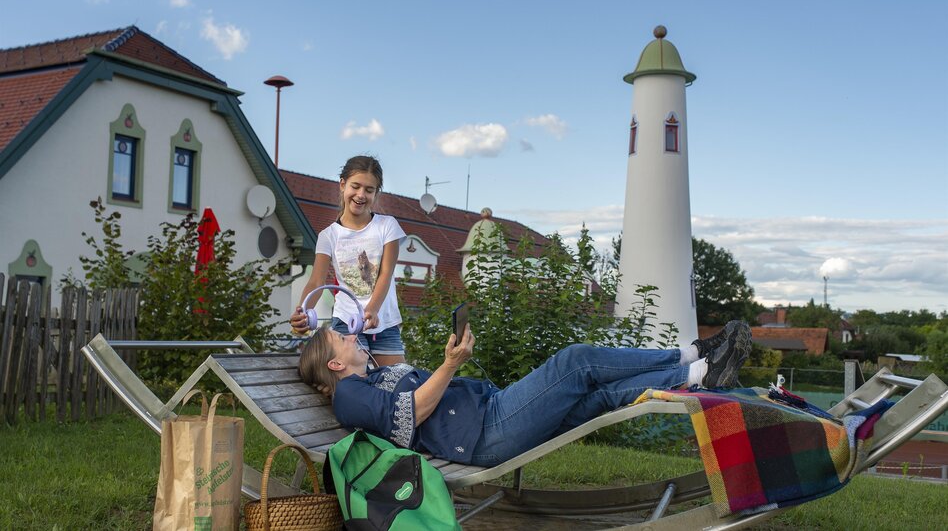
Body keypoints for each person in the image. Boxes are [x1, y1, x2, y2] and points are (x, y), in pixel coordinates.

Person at [299, 320, 752, 466]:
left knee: (596, 395)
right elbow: (411, 413)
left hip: (488, 415)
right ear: (335, 365)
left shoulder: (373, 375)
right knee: (576, 362)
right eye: (340, 339)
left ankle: (698, 375)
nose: (351, 335)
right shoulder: (348, 395)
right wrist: (450, 363)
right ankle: (691, 354)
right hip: (484, 432)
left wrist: (449, 363)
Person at [290, 155, 407, 367]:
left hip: (384, 322)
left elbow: (386, 274)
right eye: (355, 186)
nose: (361, 195)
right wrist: (302, 312)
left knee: (398, 383)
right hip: (346, 322)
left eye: (369, 190)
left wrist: (371, 309)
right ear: (342, 185)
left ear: (376, 193)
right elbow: (316, 282)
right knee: (352, 385)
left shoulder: (387, 226)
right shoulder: (328, 236)